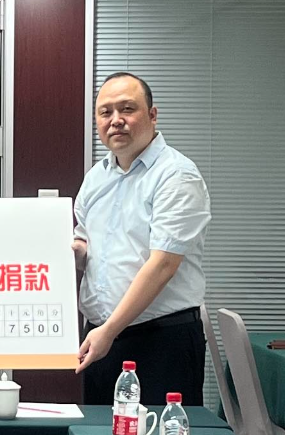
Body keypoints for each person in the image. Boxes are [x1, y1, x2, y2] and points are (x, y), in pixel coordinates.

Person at [73, 72, 211, 407]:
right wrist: (63, 254)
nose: (116, 120)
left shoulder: (176, 175)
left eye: (127, 109)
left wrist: (109, 330)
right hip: (101, 339)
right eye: (105, 112)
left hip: (162, 341)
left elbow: (163, 264)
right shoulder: (96, 178)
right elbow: (87, 247)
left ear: (152, 114)